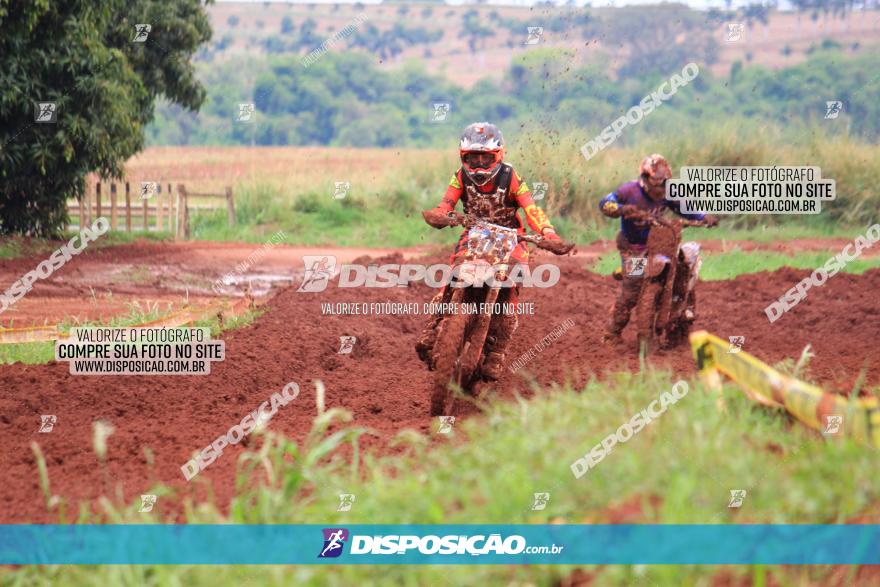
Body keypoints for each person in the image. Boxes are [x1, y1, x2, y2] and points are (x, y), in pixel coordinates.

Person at [415, 122, 567, 380]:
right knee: (451, 277)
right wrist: (440, 215)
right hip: (474, 234)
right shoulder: (460, 176)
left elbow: (531, 208)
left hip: (513, 238)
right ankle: (432, 327)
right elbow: (447, 203)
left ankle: (497, 353)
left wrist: (548, 233)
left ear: (499, 155)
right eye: (473, 158)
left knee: (510, 293)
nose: (479, 165)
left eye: (486, 158)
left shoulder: (511, 177)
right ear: (464, 156)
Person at [599, 154, 719, 345]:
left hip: (660, 243)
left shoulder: (667, 193)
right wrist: (620, 209)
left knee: (681, 268)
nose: (661, 189)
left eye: (664, 184)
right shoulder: (629, 191)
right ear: (645, 179)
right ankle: (612, 333)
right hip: (633, 247)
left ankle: (680, 310)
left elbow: (685, 208)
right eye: (657, 184)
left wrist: (703, 216)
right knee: (632, 290)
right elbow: (606, 202)